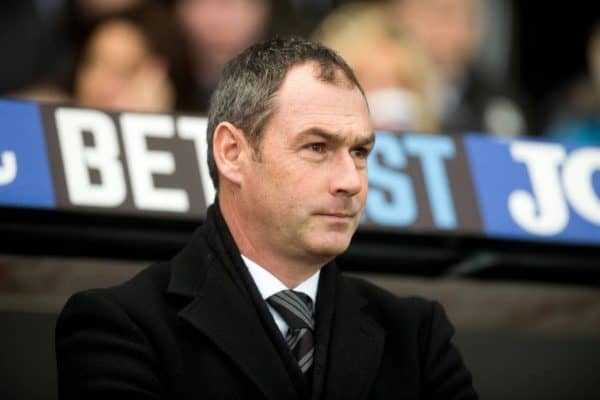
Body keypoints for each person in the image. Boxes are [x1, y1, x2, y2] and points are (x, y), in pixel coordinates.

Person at [55, 36, 477, 399]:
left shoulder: (418, 336)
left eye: (360, 152)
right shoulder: (119, 327)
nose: (351, 181)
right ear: (232, 153)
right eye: (316, 147)